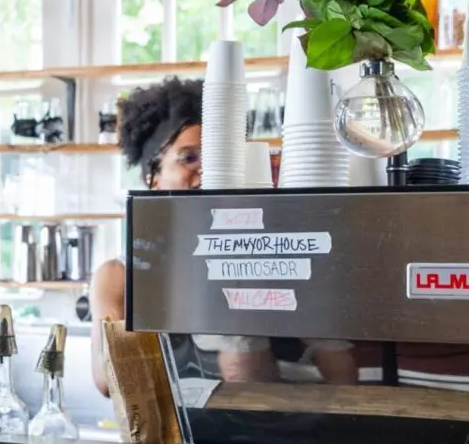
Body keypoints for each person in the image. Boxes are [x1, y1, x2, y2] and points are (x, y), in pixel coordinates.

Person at [89, 77, 358, 396]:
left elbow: (345, 382)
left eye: (219, 157)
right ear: (154, 178)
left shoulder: (276, 255)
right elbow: (110, 382)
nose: (208, 169)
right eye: (189, 157)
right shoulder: (120, 275)